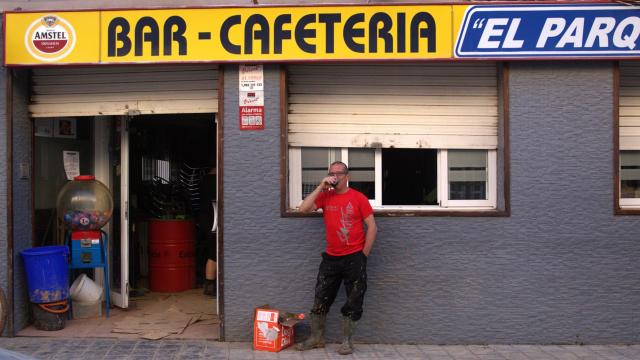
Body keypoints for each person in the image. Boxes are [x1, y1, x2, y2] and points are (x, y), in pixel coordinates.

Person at [296, 161, 377, 355]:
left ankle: (347, 342)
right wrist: (320, 187)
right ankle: (316, 338)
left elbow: (372, 227)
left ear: (347, 177)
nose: (335, 176)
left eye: (339, 173)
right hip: (331, 258)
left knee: (353, 300)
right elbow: (303, 209)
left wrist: (363, 255)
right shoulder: (325, 196)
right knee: (320, 299)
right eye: (332, 173)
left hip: (354, 258)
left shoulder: (358, 198)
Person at [198, 167, 217, 297]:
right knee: (214, 254)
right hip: (214, 222)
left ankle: (209, 285)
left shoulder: (203, 181)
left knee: (211, 251)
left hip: (205, 221)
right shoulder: (218, 181)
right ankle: (209, 286)